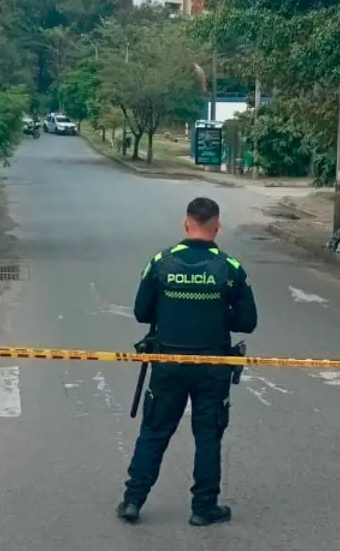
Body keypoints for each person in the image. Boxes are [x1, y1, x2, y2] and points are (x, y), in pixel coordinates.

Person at [117, 197, 258, 526]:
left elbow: (141, 312)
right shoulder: (230, 267)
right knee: (208, 436)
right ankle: (203, 508)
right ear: (217, 227)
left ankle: (133, 501)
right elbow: (247, 322)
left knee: (154, 431)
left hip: (167, 361)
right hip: (213, 365)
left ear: (186, 224)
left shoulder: (161, 261)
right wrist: (218, 315)